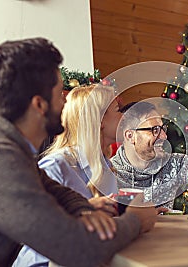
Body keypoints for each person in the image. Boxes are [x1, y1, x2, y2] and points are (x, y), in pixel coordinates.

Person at [0, 37, 157, 267]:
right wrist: (136, 221)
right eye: (60, 94)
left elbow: (52, 189)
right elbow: (76, 249)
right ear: (39, 105)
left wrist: (84, 208)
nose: (64, 105)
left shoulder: (6, 146)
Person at [14, 84, 123, 266]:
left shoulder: (108, 167)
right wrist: (83, 209)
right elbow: (30, 227)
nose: (124, 117)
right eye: (119, 111)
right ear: (100, 120)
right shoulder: (57, 166)